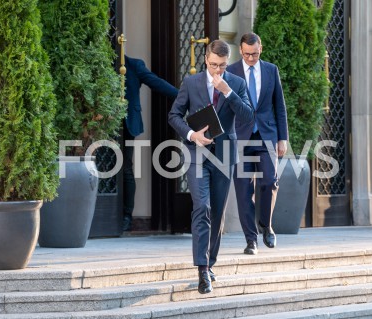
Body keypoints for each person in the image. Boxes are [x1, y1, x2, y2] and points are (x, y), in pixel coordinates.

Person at [168, 39, 253, 294]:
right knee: (202, 206)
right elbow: (174, 115)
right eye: (214, 65)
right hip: (198, 153)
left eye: (223, 66)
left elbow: (248, 115)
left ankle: (211, 262)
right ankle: (202, 269)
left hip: (225, 155)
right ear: (206, 59)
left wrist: (227, 91)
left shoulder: (236, 83)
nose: (217, 70)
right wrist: (192, 134)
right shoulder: (191, 82)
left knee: (217, 212)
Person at [227, 32, 289, 255]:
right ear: (240, 51)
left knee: (269, 181)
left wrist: (283, 138)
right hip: (240, 138)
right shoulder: (231, 71)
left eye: (254, 54)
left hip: (266, 136)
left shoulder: (271, 70)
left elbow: (279, 106)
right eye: (246, 54)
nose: (250, 58)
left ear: (260, 49)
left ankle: (266, 224)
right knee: (244, 190)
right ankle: (250, 239)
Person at [122, 55, 179, 231]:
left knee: (125, 169)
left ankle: (126, 216)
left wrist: (183, 96)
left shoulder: (133, 65)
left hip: (126, 124)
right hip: (101, 123)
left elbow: (156, 82)